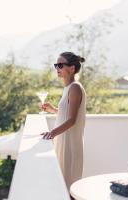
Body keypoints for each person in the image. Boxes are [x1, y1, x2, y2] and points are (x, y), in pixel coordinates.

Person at [41, 52, 86, 191]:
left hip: (70, 146)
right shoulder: (68, 88)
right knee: (62, 187)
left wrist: (51, 133)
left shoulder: (75, 88)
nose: (57, 68)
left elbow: (72, 120)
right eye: (56, 65)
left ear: (72, 68)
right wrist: (53, 109)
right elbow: (67, 114)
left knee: (68, 189)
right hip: (63, 142)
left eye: (60, 65)